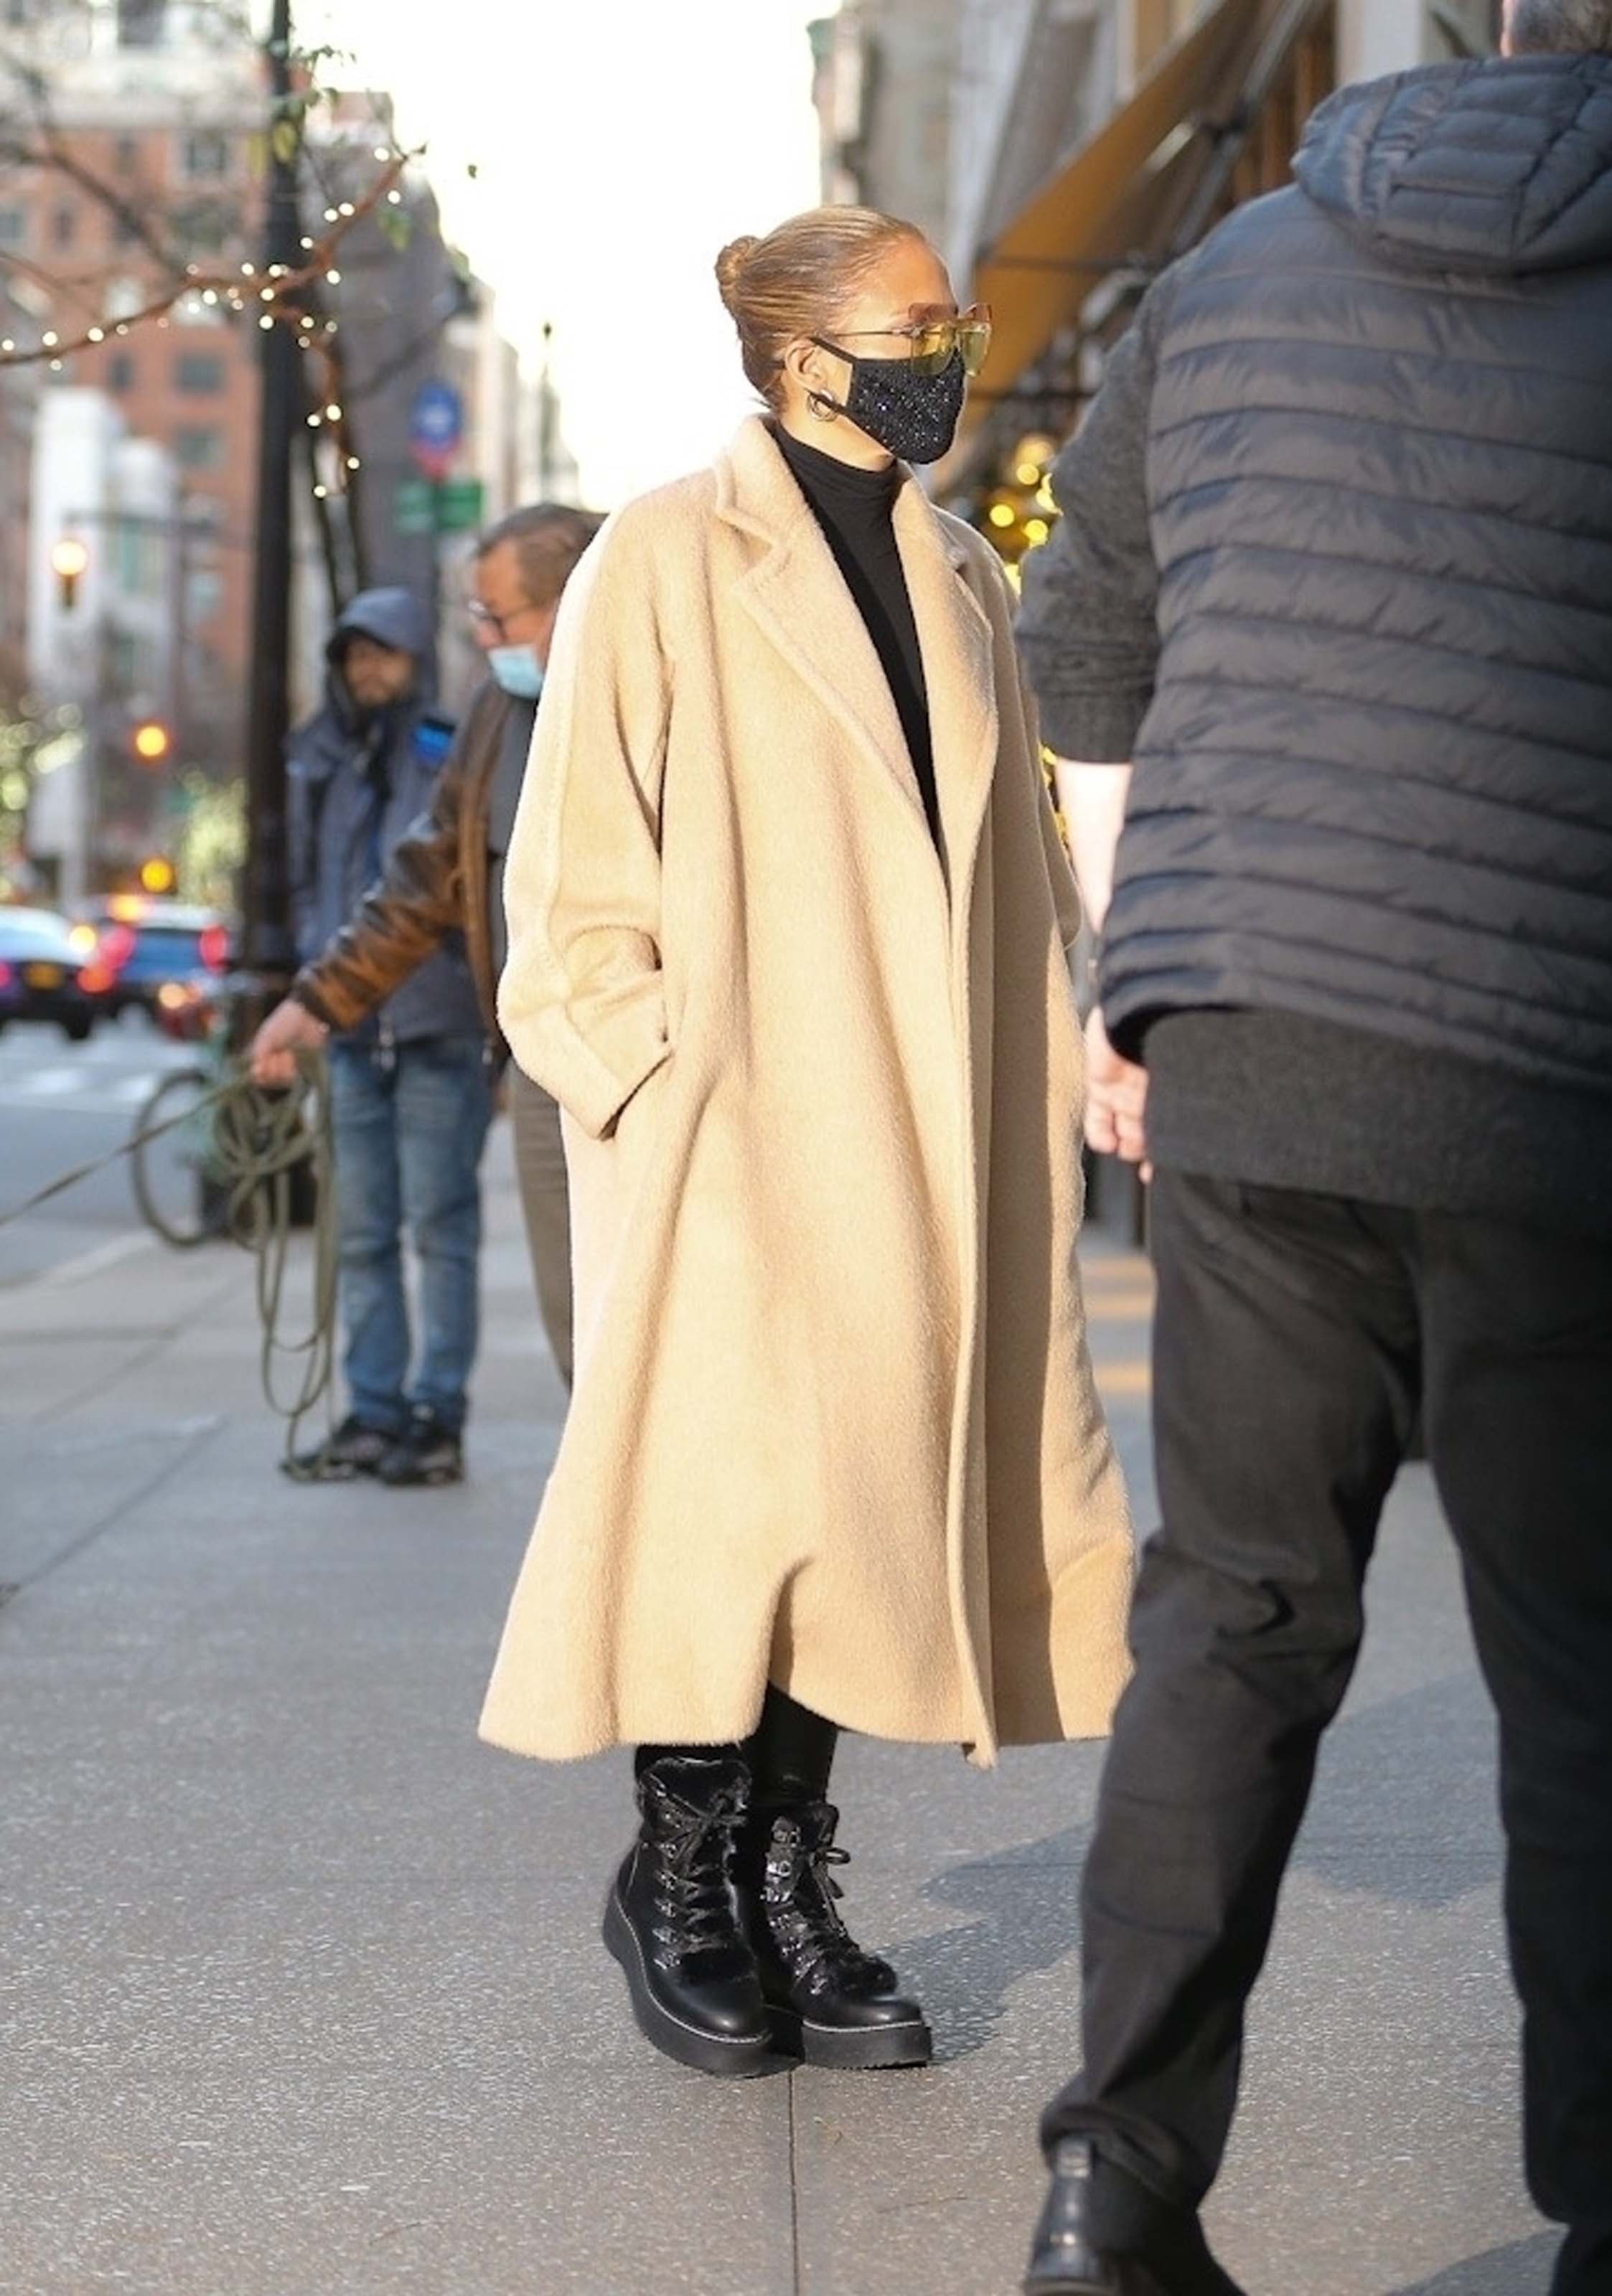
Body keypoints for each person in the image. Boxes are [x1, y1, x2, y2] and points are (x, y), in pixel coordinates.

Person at [1015, 5, 1612, 2292]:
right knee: (1587, 1672)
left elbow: (1083, 661)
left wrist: (1131, 993)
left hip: (1252, 1042)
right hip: (1562, 1069)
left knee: (1234, 1622)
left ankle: (1114, 2184)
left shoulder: (1235, 269)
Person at [481, 206, 1134, 2081]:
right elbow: (576, 866)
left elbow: (1009, 866)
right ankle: (685, 1871)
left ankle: (786, 1877)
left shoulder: (958, 571)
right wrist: (645, 1082)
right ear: (794, 356)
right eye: (915, 324)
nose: (953, 348)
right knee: (731, 1515)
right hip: (737, 1129)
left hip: (923, 1136)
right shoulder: (664, 558)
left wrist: (1061, 1059)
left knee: (854, 1516)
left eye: (953, 315)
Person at [250, 506, 602, 1398]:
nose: (485, 638)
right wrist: (318, 1000)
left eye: (499, 617)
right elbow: (426, 872)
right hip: (541, 1061)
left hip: (662, 1065)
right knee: (578, 1321)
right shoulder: (494, 713)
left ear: (573, 600)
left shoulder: (656, 693)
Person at [281, 587, 492, 1489]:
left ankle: (435, 1416)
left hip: (438, 1029)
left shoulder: (447, 749)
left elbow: (442, 879)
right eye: (354, 656)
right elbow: (301, 879)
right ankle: (372, 1412)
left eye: (385, 655)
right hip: (350, 1034)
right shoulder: (316, 756)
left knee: (440, 1230)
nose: (368, 672)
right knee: (361, 1233)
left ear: (415, 660)